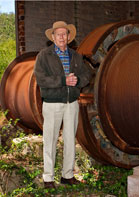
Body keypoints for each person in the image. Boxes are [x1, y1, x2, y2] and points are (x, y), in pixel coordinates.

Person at [34, 21, 91, 189]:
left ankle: (67, 175)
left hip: (71, 102)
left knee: (69, 139)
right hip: (52, 104)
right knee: (50, 140)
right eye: (58, 34)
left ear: (69, 36)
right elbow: (41, 79)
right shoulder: (44, 55)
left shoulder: (75, 55)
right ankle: (48, 178)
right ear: (52, 37)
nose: (61, 37)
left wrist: (78, 80)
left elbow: (87, 73)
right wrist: (63, 80)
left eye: (64, 34)